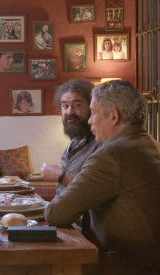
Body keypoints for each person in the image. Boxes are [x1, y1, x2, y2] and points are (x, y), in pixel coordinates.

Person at [45, 80, 160, 274]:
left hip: (126, 265)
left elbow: (55, 213)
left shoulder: (110, 155)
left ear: (113, 116)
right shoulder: (149, 144)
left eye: (94, 113)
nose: (90, 120)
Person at [41, 79, 101, 197]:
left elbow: (95, 193)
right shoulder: (75, 141)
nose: (69, 111)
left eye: (77, 105)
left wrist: (61, 176)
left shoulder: (100, 142)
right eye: (65, 106)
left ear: (91, 107)